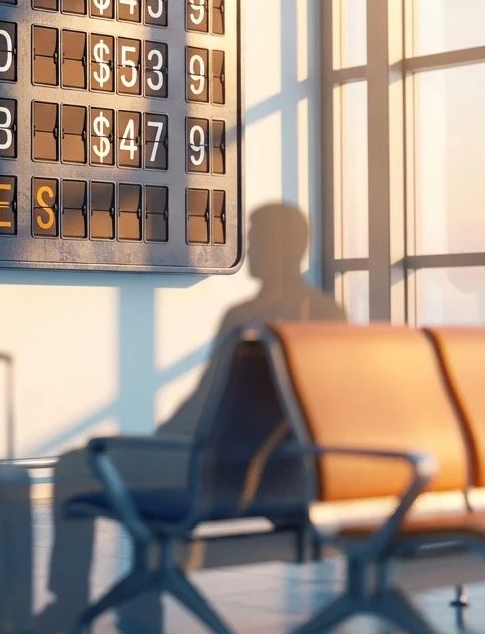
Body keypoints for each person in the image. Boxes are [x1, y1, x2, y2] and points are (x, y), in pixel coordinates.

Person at [39, 202, 347, 634]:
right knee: (138, 468)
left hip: (215, 476)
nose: (250, 249)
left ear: (285, 247)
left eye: (256, 239)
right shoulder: (328, 315)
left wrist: (158, 442)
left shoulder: (244, 320)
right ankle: (139, 603)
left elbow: (206, 402)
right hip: (289, 479)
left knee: (77, 465)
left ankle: (68, 603)